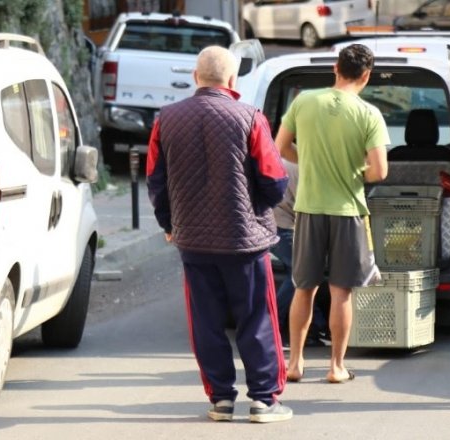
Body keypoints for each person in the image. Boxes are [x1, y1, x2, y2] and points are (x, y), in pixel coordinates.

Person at [146, 46, 292, 423]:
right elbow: (275, 180)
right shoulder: (249, 117)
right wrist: (256, 206)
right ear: (232, 80)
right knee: (257, 318)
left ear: (196, 77)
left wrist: (169, 224)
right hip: (245, 238)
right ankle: (264, 399)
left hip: (193, 240)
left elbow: (155, 180)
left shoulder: (167, 119)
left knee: (205, 322)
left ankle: (221, 399)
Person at [274, 43, 389, 384]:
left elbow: (280, 146)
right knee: (341, 292)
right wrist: (355, 172)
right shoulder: (369, 114)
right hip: (347, 212)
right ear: (366, 76)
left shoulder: (305, 101)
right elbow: (379, 171)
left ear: (335, 68)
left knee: (303, 288)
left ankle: (294, 363)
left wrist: (308, 163)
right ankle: (336, 367)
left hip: (307, 209)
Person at [270, 160, 328, 347]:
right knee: (300, 274)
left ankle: (315, 326)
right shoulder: (304, 164)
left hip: (268, 223)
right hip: (284, 226)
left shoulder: (278, 157)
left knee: (305, 276)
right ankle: (272, 323)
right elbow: (310, 205)